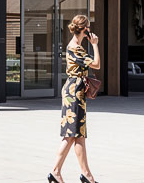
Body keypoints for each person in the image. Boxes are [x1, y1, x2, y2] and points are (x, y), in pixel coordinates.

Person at [46, 13, 101, 183]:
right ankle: (56, 171)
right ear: (84, 29)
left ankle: (86, 175)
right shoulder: (76, 47)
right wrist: (95, 45)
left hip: (74, 90)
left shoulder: (74, 45)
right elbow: (97, 64)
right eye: (88, 27)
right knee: (71, 134)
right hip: (74, 92)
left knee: (78, 134)